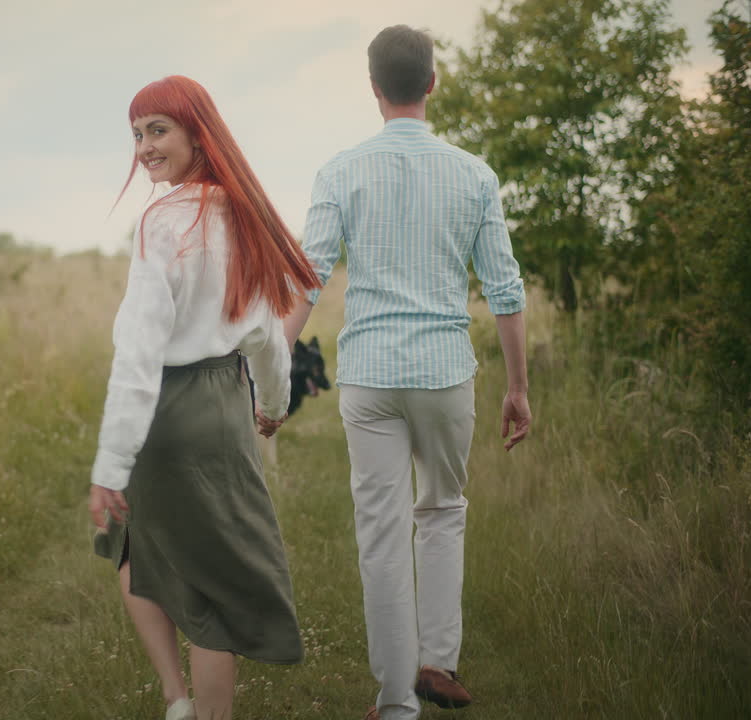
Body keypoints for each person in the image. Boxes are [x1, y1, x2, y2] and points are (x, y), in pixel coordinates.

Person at [277, 25, 532, 720]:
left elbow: (306, 280)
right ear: (432, 83)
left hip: (370, 375)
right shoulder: (474, 174)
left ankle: (395, 705)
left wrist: (270, 372)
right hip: (445, 372)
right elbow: (506, 290)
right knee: (442, 511)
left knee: (382, 531)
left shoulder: (340, 171)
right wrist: (517, 388)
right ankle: (437, 662)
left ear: (373, 88)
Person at [88, 74, 320, 720]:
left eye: (157, 130)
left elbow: (137, 357)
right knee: (208, 574)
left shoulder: (161, 223)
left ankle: (177, 699)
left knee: (131, 546)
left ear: (197, 132)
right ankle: (183, 707)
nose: (143, 148)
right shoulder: (242, 214)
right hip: (225, 403)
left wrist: (109, 467)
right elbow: (270, 339)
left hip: (168, 408)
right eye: (136, 134)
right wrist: (271, 405)